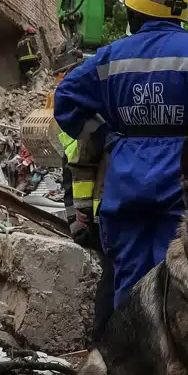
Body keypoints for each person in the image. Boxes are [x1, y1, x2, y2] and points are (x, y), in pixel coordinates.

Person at [53, 0, 188, 304]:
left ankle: (131, 354)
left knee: (129, 286)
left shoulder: (109, 57)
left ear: (136, 8)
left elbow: (65, 100)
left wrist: (105, 137)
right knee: (181, 283)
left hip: (125, 180)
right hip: (181, 180)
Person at [60, 128, 116, 340]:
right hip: (102, 212)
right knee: (113, 276)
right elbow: (76, 170)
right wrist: (80, 216)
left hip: (97, 210)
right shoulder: (93, 126)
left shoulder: (82, 125)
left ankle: (102, 341)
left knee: (112, 275)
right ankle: (103, 342)